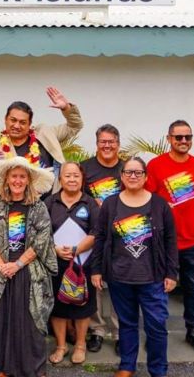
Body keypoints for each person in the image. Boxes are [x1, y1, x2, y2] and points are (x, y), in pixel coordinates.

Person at [91, 157, 179, 377]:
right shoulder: (111, 204)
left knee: (156, 326)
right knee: (127, 324)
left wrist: (171, 273)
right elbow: (100, 237)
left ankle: (158, 370)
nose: (132, 176)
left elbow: (170, 240)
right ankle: (127, 366)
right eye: (128, 172)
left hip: (153, 278)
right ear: (121, 176)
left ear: (145, 177)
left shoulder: (159, 205)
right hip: (120, 277)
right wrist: (96, 269)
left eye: (138, 172)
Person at [0, 156, 57, 377]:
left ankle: (34, 368)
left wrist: (17, 264)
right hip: (1, 271)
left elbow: (42, 240)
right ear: (6, 179)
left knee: (30, 320)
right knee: (2, 319)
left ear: (29, 180)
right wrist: (2, 265)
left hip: (28, 271)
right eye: (14, 176)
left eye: (22, 176)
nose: (17, 180)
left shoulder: (38, 207)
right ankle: (4, 366)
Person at [145, 120, 194, 356]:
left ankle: (193, 331)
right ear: (169, 139)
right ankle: (156, 333)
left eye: (187, 137)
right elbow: (147, 200)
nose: (183, 141)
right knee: (157, 288)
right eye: (178, 137)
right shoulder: (155, 166)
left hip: (193, 240)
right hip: (163, 242)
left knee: (192, 287)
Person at [45, 162, 99, 366]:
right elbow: (40, 232)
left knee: (83, 305)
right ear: (60, 179)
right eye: (67, 176)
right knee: (58, 307)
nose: (72, 179)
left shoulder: (90, 203)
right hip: (56, 263)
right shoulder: (50, 202)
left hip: (83, 264)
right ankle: (61, 345)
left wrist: (77, 249)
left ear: (82, 179)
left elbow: (97, 232)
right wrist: (55, 249)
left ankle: (80, 345)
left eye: (76, 175)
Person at [0, 87, 83, 193]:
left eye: (22, 122)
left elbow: (75, 126)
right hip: (14, 205)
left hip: (51, 203)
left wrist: (66, 108)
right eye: (13, 120)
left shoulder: (45, 134)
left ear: (29, 124)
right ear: (5, 120)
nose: (17, 125)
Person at [80, 124, 124, 355]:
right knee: (94, 283)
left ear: (118, 144)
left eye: (111, 142)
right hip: (94, 235)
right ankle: (96, 330)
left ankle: (118, 332)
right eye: (102, 142)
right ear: (97, 144)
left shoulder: (127, 169)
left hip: (122, 235)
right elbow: (77, 196)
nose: (107, 146)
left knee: (118, 284)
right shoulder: (85, 168)